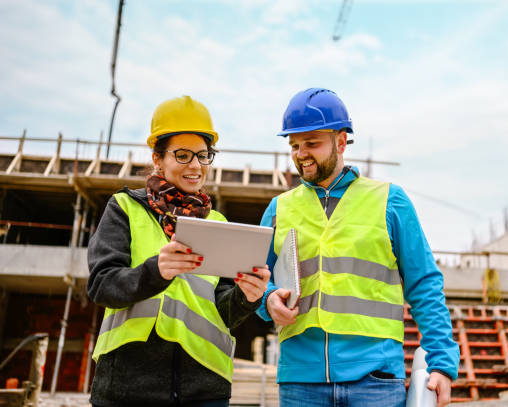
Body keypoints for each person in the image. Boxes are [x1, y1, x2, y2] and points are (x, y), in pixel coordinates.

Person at [257, 88, 459, 407]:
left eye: (312, 143)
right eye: (294, 145)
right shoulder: (278, 209)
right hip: (300, 381)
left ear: (340, 142)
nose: (300, 153)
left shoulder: (390, 202)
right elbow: (254, 280)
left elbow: (424, 285)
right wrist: (268, 299)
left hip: (375, 381)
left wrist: (442, 363)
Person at [87, 95, 270, 407]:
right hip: (128, 388)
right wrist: (155, 271)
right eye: (183, 155)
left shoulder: (218, 222)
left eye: (203, 155)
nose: (196, 166)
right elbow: (102, 285)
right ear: (158, 158)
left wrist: (247, 296)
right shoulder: (125, 208)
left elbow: (222, 312)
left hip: (204, 389)